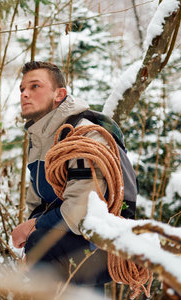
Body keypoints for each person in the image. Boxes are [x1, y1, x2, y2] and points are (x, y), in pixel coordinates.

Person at [11, 61, 122, 292]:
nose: (25, 94)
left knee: (38, 242)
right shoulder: (40, 138)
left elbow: (81, 211)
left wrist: (34, 231)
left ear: (59, 94)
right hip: (64, 244)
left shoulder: (84, 134)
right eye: (22, 89)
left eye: (35, 86)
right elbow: (38, 200)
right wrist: (31, 250)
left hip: (96, 246)